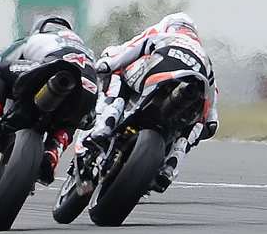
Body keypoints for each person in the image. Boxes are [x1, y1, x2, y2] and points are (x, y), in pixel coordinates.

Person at [76, 12, 219, 193]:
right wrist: (211, 121)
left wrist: (108, 64)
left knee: (120, 74)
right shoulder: (204, 56)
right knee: (194, 125)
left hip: (159, 75)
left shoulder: (162, 35)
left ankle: (104, 126)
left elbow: (130, 50)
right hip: (195, 87)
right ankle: (170, 167)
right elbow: (212, 100)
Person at [0, 16, 93, 184]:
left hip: (50, 69)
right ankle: (53, 151)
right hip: (88, 88)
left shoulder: (35, 39)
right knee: (74, 119)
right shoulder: (86, 49)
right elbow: (88, 121)